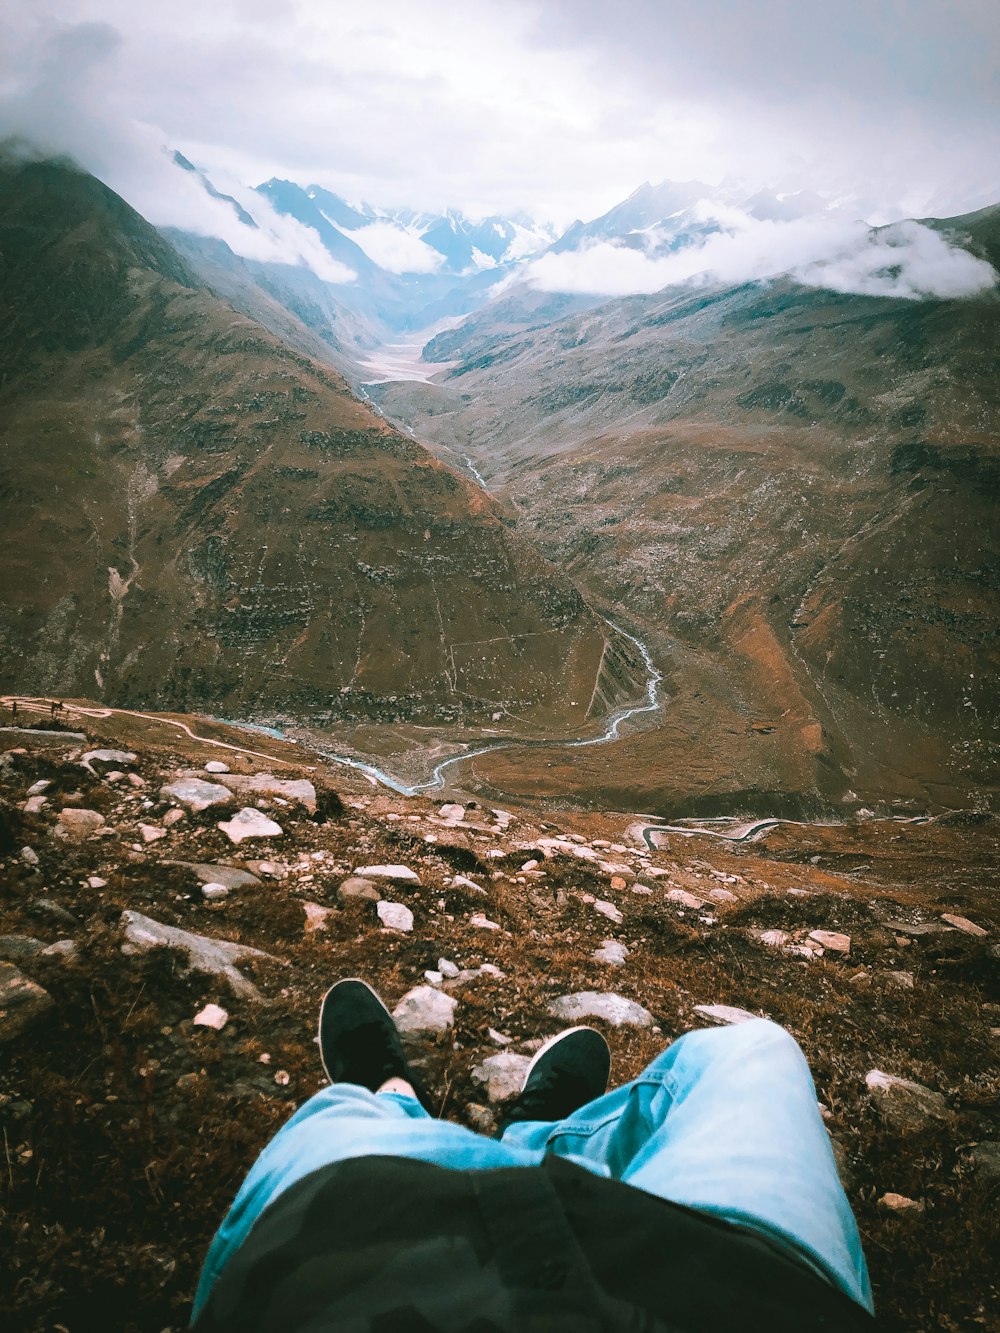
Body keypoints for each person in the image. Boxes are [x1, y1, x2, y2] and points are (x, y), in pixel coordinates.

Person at [191, 979, 876, 1330]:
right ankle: (540, 1135)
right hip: (739, 1288)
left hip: (365, 1260)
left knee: (340, 1119)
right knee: (756, 1049)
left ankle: (392, 1095)